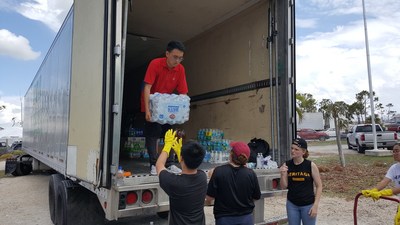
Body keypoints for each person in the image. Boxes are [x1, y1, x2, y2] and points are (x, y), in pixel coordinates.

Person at [141, 40, 188, 175]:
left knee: (170, 133)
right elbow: (147, 87)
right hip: (152, 102)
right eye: (175, 57)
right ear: (167, 54)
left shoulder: (180, 69)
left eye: (180, 58)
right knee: (153, 133)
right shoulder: (155, 64)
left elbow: (183, 93)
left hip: (167, 106)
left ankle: (170, 163)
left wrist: (182, 113)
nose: (178, 60)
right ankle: (154, 164)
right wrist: (148, 110)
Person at [156, 129, 207, 225]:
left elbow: (159, 165)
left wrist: (167, 146)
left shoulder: (174, 183)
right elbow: (188, 168)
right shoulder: (202, 178)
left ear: (181, 158)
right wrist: (182, 156)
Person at [205, 141, 261, 225]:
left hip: (224, 219)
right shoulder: (251, 173)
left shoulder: (219, 171)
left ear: (231, 155)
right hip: (246, 218)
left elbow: (209, 197)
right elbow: (256, 197)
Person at [279, 138, 322, 225]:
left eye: (296, 149)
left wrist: (315, 205)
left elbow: (319, 186)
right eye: (292, 148)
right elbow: (283, 186)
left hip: (308, 205)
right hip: (292, 204)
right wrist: (283, 174)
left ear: (303, 151)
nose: (292, 151)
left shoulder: (310, 165)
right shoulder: (287, 164)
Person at [361, 143, 400, 224]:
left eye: (397, 151)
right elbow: (384, 181)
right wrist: (373, 190)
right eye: (393, 151)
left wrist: (383, 193)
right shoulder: (394, 168)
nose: (394, 153)